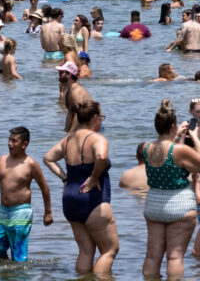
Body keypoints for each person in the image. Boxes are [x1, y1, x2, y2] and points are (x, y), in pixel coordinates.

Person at [43, 100, 118, 276]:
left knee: (86, 251)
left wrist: (65, 178)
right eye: (101, 117)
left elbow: (48, 158)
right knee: (110, 249)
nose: (101, 121)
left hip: (70, 198)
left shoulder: (68, 139)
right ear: (94, 118)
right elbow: (101, 156)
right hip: (92, 199)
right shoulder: (98, 139)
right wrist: (93, 177)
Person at [142, 98, 200, 279]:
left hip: (153, 204)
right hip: (179, 205)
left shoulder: (146, 148)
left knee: (152, 256)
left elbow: (163, 148)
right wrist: (194, 136)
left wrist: (174, 136)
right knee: (175, 257)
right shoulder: (179, 150)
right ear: (173, 126)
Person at [0, 126, 54, 262]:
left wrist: (48, 212)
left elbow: (44, 188)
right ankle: (4, 275)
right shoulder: (1, 161)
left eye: (14, 141)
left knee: (18, 255)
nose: (10, 144)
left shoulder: (31, 164)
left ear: (24, 144)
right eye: (9, 140)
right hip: (3, 211)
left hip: (21, 212)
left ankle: (19, 275)